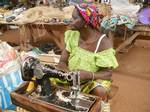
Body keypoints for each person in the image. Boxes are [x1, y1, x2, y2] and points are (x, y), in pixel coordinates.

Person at [55, 3, 118, 112]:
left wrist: (89, 75)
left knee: (100, 91)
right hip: (73, 76)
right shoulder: (72, 35)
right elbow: (62, 61)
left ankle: (103, 107)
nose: (70, 20)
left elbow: (108, 74)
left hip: (92, 79)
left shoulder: (102, 43)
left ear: (85, 22)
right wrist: (66, 73)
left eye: (74, 18)